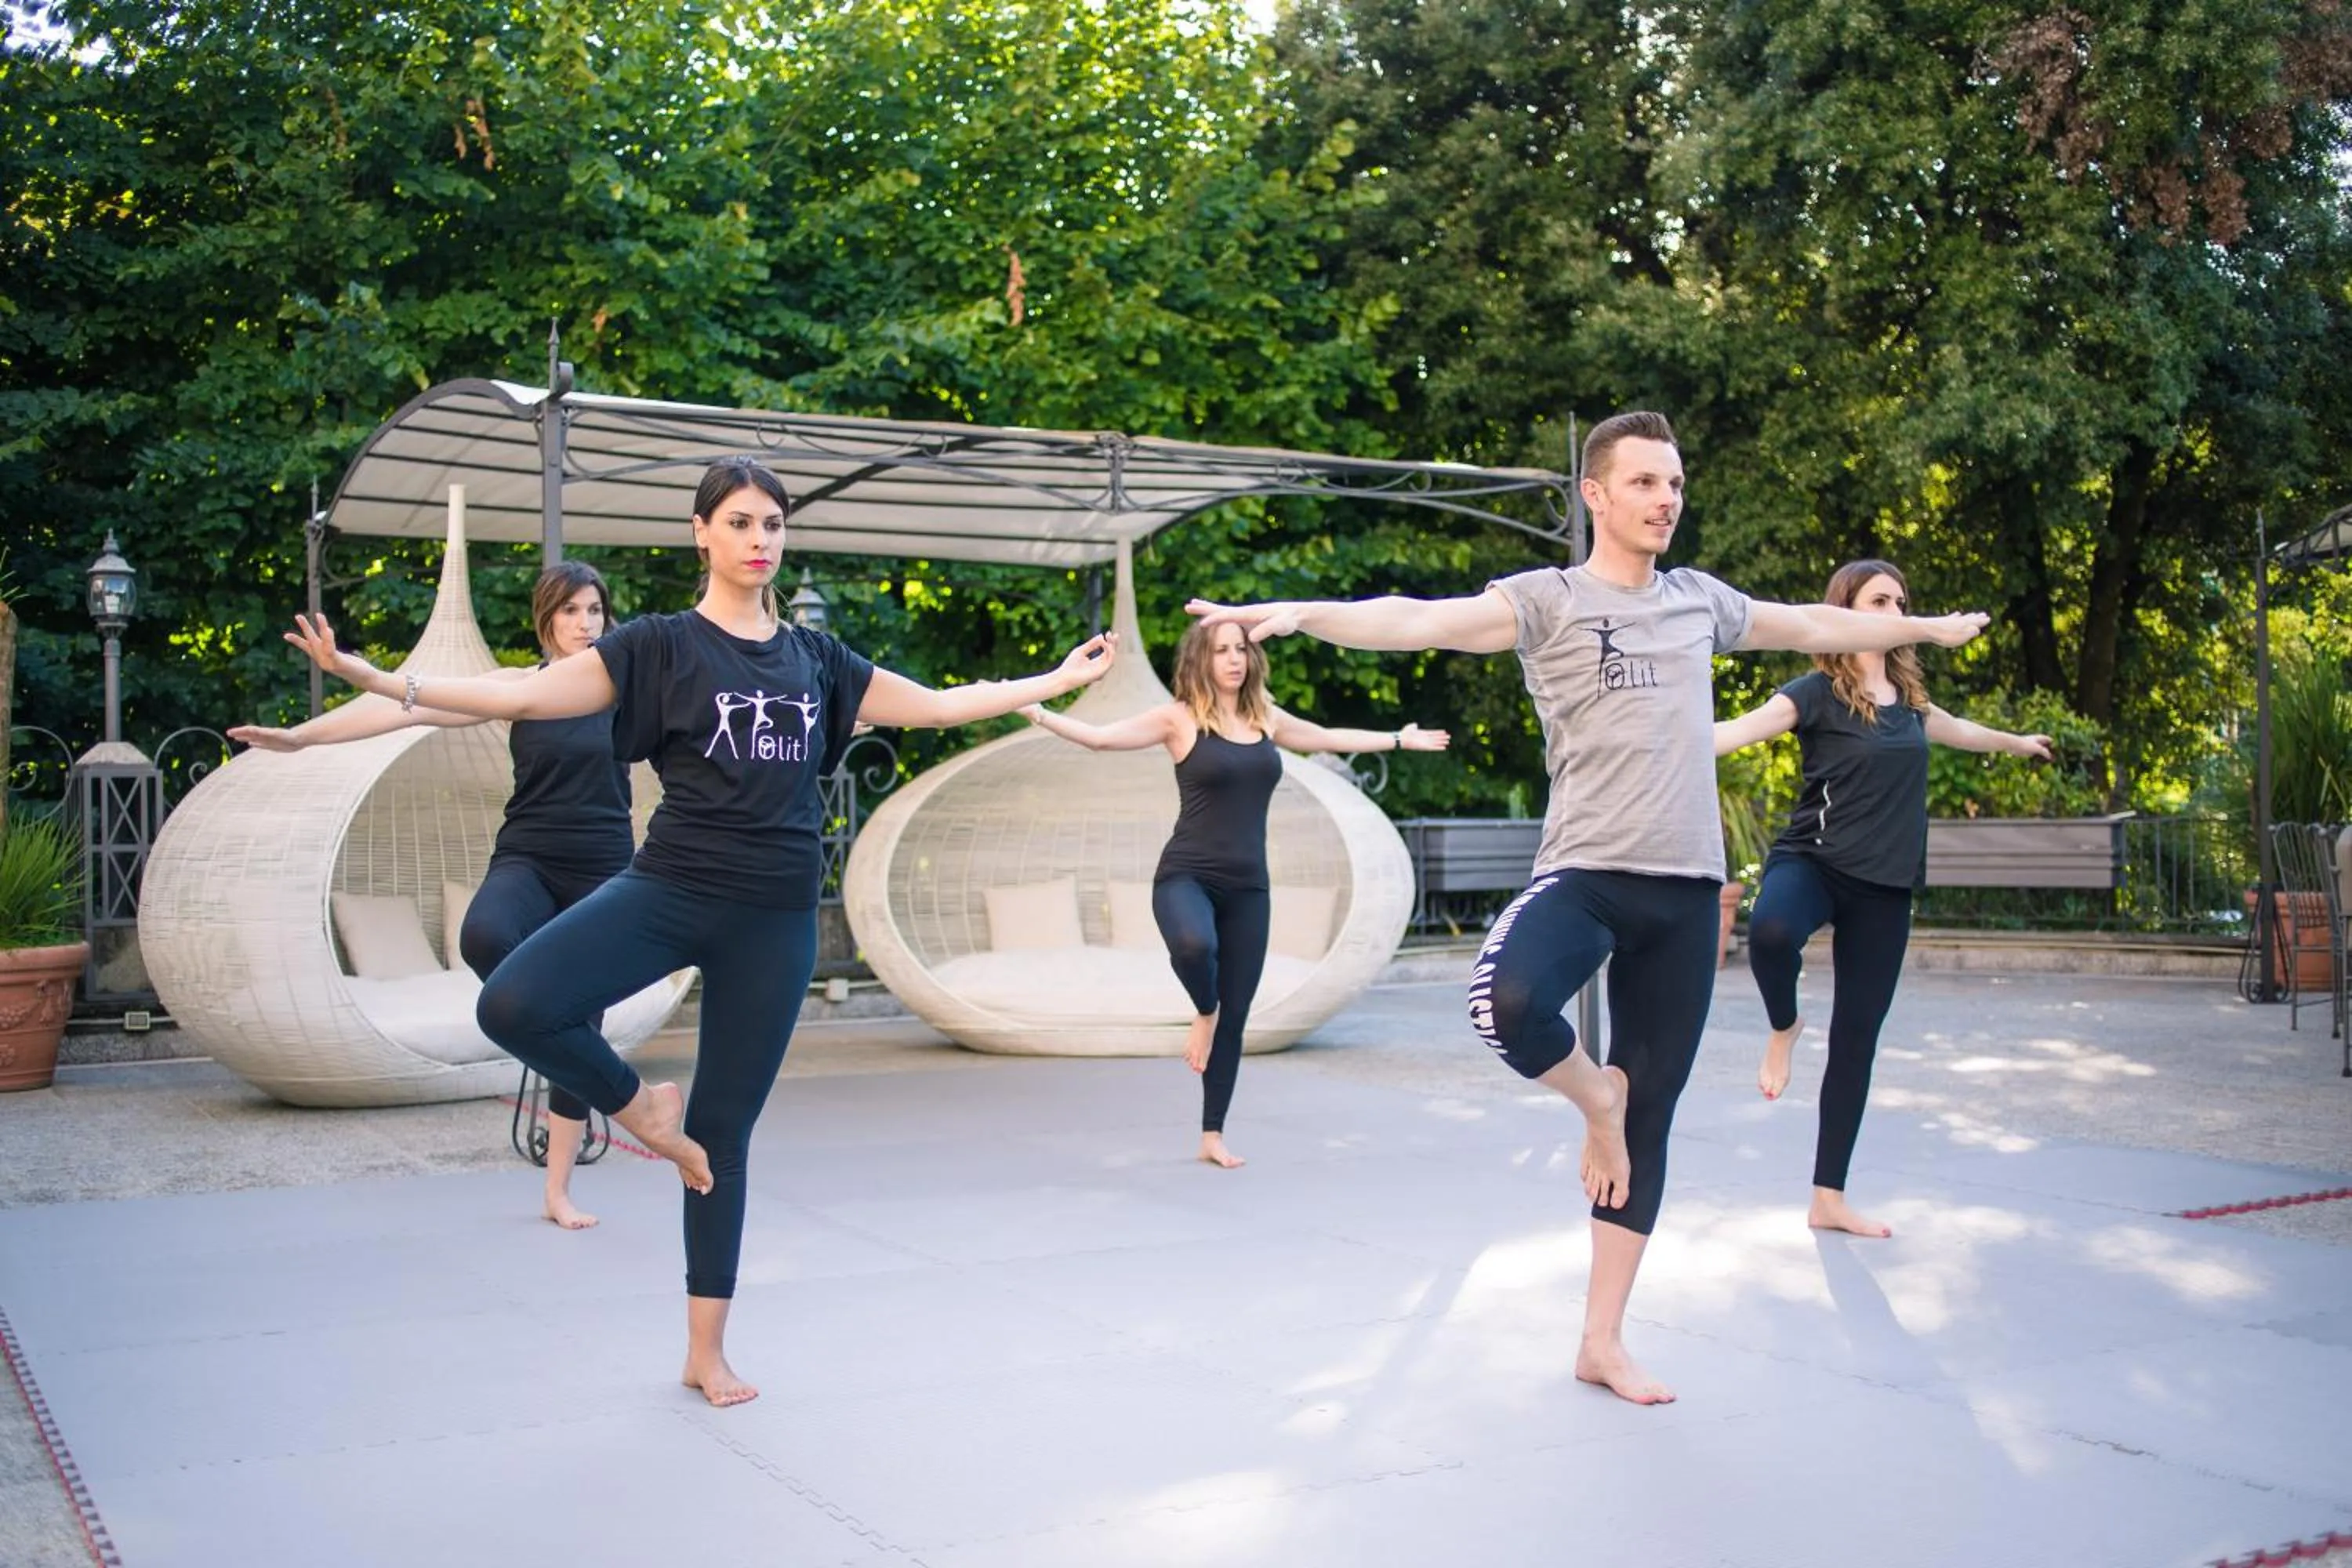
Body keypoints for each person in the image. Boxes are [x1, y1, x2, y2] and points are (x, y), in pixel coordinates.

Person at [280, 457, 1116, 1408]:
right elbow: (517, 698)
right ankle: (638, 1110)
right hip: (670, 885)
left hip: (776, 916)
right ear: (702, 533)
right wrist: (380, 679)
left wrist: (1052, 678)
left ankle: (704, 1350)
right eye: (742, 522)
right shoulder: (659, 646)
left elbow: (931, 704)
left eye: (773, 522)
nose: (761, 538)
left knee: (724, 1135)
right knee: (514, 998)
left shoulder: (817, 660)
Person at [1188, 411, 1988, 1405]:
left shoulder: (1701, 600)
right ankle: (1591, 1095)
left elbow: (1816, 622)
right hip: (1590, 868)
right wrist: (1306, 610)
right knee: (1506, 1001)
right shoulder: (1545, 599)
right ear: (1596, 495)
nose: (1666, 500)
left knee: (1652, 1117)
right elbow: (1420, 616)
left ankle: (1602, 1338)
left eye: (1676, 484)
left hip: (1690, 889)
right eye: (1647, 482)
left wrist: (1922, 627)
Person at [232, 561, 630, 1231]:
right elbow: (404, 704)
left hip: (603, 868)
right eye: (570, 612)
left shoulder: (627, 688)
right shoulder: (517, 688)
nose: (584, 624)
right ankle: (545, 1025)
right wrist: (301, 738)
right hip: (529, 854)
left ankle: (558, 1192)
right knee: (482, 936)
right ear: (546, 620)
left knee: (578, 1020)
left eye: (594, 610)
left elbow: (721, 713)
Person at [1022, 619, 1449, 1169]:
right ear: (1202, 657)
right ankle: (1204, 1011)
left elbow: (1327, 736)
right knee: (1196, 950)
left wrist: (1398, 738)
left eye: (1241, 649)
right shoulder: (1178, 719)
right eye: (1222, 650)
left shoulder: (1263, 717)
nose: (1233, 659)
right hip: (1185, 875)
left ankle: (1212, 1133)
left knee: (1238, 1015)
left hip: (1250, 888)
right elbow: (1103, 740)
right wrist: (1036, 707)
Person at [1713, 558, 2053, 1240]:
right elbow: (1734, 732)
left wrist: (2017, 743)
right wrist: (1659, 741)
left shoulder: (1911, 707)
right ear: (1847, 610)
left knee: (1856, 1043)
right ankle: (1784, 1029)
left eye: (1902, 600)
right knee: (1773, 933)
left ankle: (1828, 1198)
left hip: (1884, 891)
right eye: (1880, 600)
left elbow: (1961, 731)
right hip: (1813, 862)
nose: (1896, 611)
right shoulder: (1813, 692)